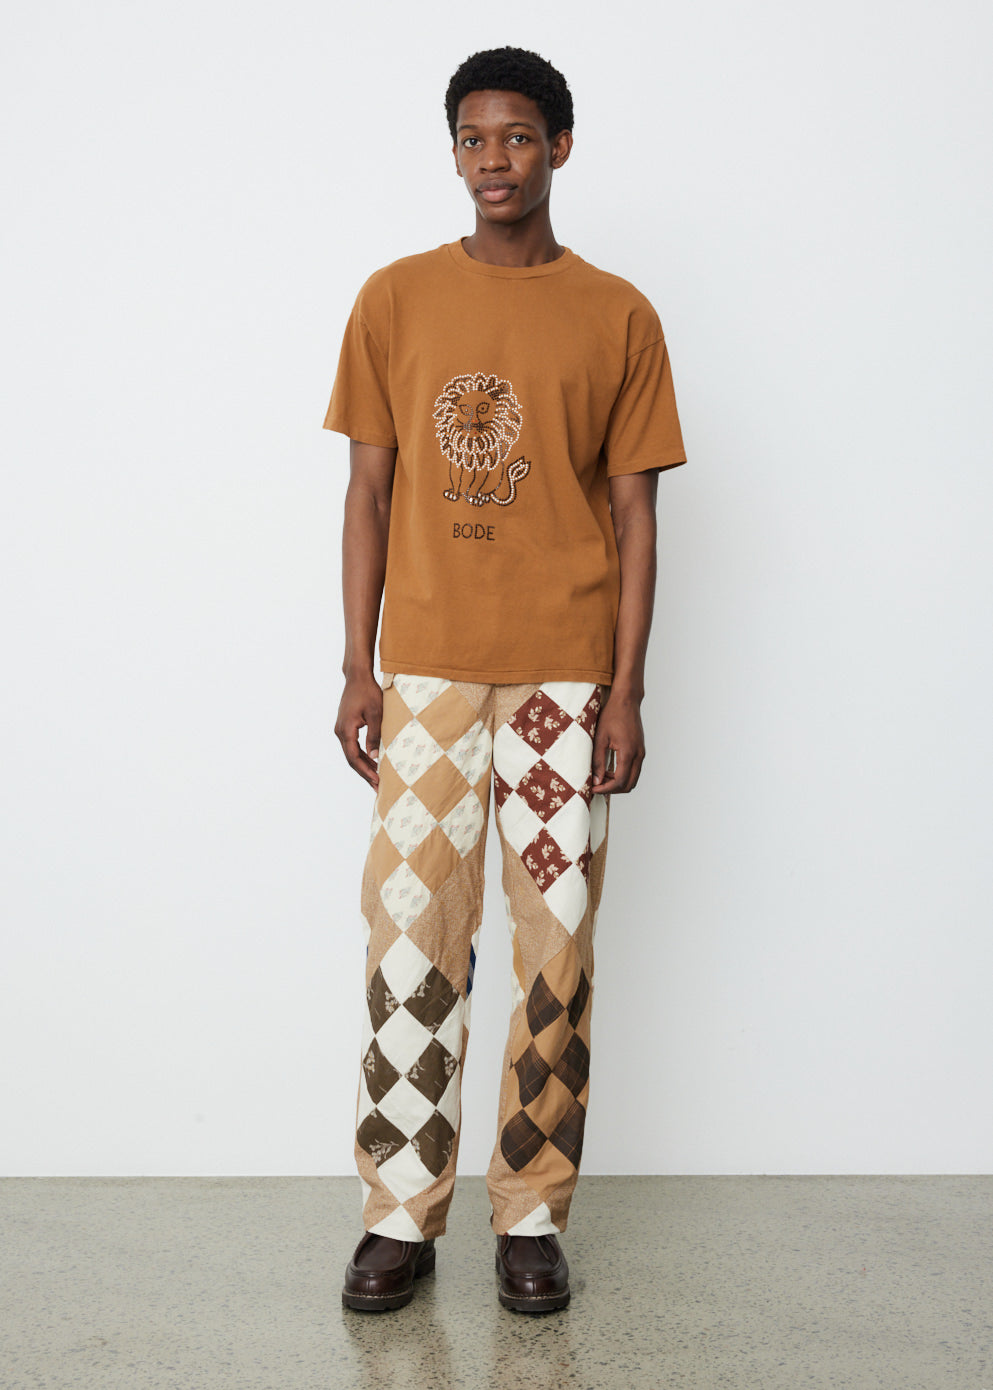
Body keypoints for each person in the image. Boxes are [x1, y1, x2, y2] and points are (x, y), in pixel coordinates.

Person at [322, 45, 686, 1314]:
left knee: (554, 951)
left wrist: (626, 690)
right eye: (474, 139)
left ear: (559, 148)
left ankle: (531, 1215)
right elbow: (368, 494)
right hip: (425, 676)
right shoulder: (395, 299)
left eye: (518, 137)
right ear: (455, 154)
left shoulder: (619, 315)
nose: (495, 160)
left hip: (563, 684)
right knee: (410, 941)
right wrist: (357, 664)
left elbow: (636, 517)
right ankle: (398, 1214)